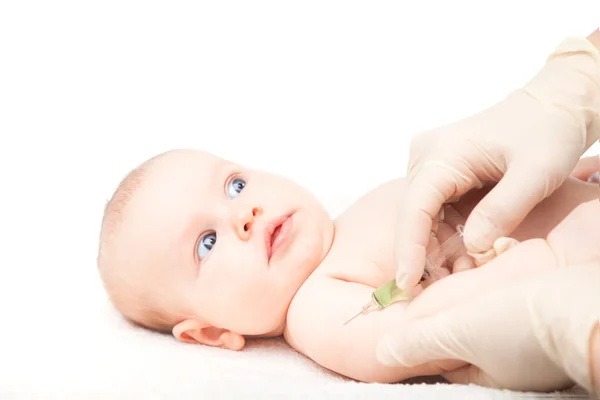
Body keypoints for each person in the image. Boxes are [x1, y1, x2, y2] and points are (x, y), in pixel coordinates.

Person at [380, 30, 600, 395]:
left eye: (245, 183)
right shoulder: (313, 307)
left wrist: (581, 338)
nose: (249, 216)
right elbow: (403, 336)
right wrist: (580, 76)